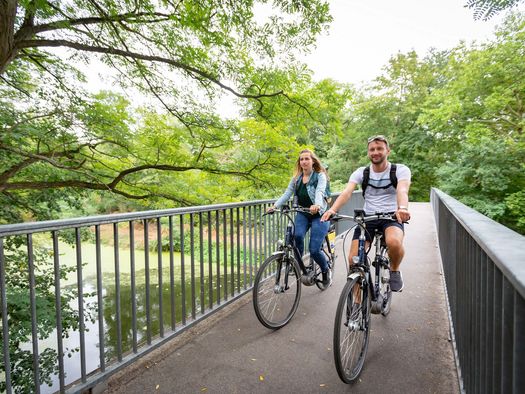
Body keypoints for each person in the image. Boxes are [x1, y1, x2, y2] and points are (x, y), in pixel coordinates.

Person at [321, 135, 411, 292]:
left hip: (391, 216)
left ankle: (394, 270)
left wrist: (402, 208)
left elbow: (402, 189)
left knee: (394, 243)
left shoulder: (400, 170)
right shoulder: (362, 172)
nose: (375, 152)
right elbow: (347, 192)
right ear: (368, 152)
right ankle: (356, 306)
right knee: (353, 260)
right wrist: (332, 210)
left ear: (388, 151)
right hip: (367, 218)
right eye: (372, 149)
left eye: (379, 149)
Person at [269, 149, 332, 286]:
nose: (304, 161)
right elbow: (287, 194)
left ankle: (326, 270)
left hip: (319, 215)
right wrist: (275, 206)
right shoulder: (296, 178)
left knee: (314, 250)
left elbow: (320, 191)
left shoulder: (319, 176)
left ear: (313, 161)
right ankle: (298, 264)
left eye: (306, 159)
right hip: (303, 213)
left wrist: (317, 204)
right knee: (296, 236)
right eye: (301, 159)